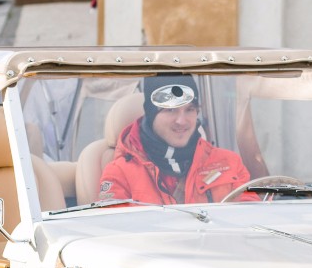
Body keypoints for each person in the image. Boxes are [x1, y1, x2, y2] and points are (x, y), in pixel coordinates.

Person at [98, 75, 251, 206]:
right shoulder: (119, 174)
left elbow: (252, 219)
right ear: (151, 114)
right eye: (170, 110)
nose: (181, 121)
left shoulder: (229, 163)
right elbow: (116, 233)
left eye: (189, 109)